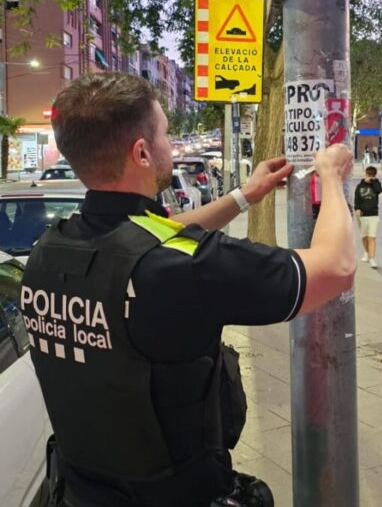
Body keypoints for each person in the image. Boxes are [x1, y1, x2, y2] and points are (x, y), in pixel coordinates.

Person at [21, 73, 356, 507]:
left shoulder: (49, 253)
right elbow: (337, 266)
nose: (168, 144)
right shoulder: (186, 269)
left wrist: (245, 196)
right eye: (164, 133)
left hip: (80, 493)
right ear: (141, 152)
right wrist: (330, 177)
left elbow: (145, 239)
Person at [354, 165, 382, 268]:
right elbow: (357, 199)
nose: (369, 176)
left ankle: (372, 259)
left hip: (373, 215)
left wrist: (373, 181)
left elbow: (379, 190)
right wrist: (357, 208)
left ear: (375, 175)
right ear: (365, 174)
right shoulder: (360, 186)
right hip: (362, 215)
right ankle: (366, 252)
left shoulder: (376, 184)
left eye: (372, 175)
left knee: (372, 237)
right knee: (364, 237)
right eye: (368, 174)